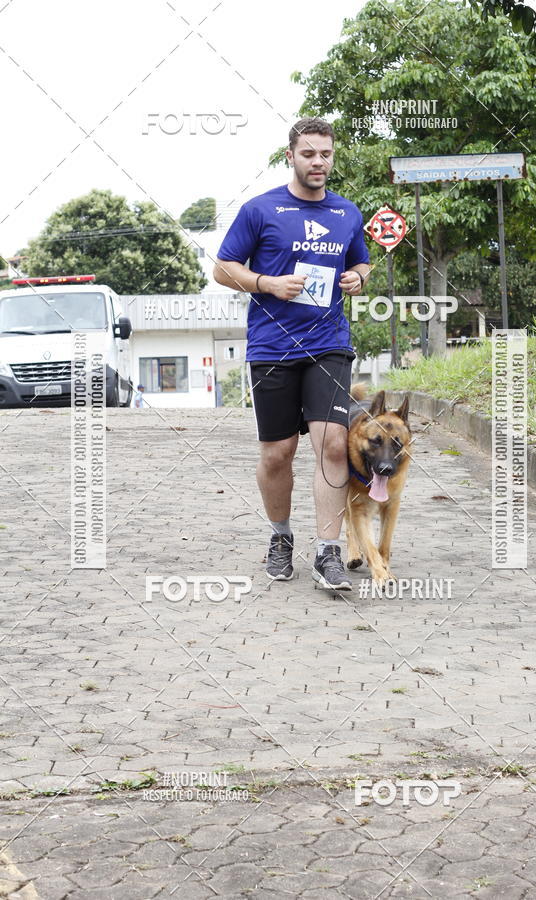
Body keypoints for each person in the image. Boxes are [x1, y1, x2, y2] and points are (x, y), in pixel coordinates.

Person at [214, 117, 370, 590]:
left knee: (334, 444)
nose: (318, 162)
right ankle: (280, 536)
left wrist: (358, 278)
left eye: (325, 154)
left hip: (329, 343)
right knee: (279, 453)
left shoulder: (347, 212)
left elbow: (360, 261)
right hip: (273, 347)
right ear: (291, 156)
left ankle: (328, 552)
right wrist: (267, 283)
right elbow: (223, 269)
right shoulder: (260, 210)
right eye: (308, 154)